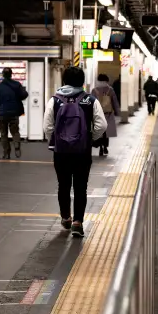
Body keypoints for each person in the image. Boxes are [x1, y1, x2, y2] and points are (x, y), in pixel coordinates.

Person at [44, 66, 106, 237]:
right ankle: (78, 222)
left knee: (63, 185)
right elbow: (102, 125)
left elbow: (47, 126)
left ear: (64, 80)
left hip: (61, 152)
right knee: (81, 187)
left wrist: (55, 141)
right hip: (82, 152)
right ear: (82, 81)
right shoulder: (90, 100)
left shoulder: (54, 100)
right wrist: (90, 138)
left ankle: (66, 217)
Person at [0, 67, 28, 159]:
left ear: (3, 75)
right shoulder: (17, 84)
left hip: (3, 113)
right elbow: (24, 95)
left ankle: (6, 153)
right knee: (15, 131)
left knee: (3, 133)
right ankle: (16, 146)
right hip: (14, 112)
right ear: (11, 74)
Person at [91, 73, 120, 157]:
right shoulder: (110, 90)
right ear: (107, 80)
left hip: (97, 114)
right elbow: (114, 102)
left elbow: (91, 102)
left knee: (99, 131)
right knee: (106, 132)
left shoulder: (94, 90)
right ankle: (105, 146)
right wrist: (118, 112)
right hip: (108, 114)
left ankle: (100, 146)